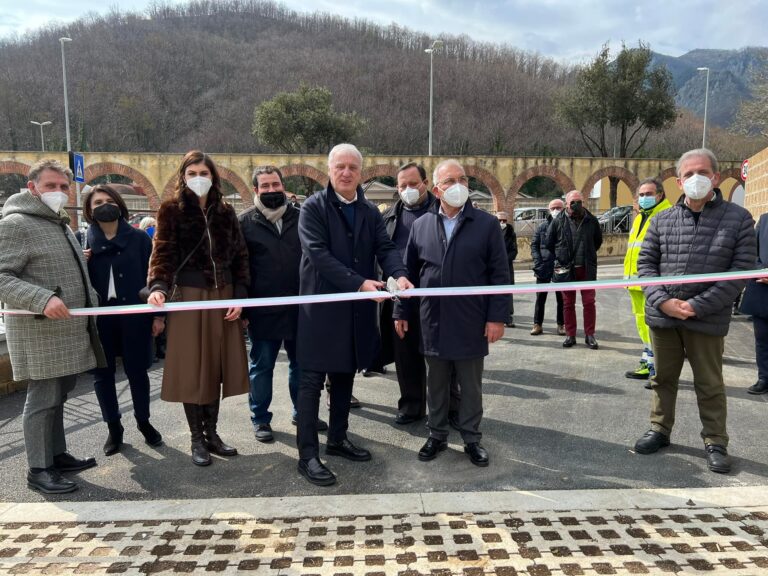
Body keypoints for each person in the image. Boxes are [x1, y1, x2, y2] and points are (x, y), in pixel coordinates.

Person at [295, 143, 413, 486]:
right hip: (320, 310)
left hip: (354, 311)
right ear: (329, 170)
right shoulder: (313, 208)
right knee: (311, 383)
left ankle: (337, 438)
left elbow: (385, 247)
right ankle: (307, 455)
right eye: (340, 167)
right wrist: (359, 282)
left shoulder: (369, 211)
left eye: (353, 168)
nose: (346, 173)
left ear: (360, 173)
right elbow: (317, 254)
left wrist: (399, 273)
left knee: (345, 375)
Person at [633, 148, 756, 474]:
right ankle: (659, 429)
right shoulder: (662, 220)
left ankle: (715, 441)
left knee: (709, 383)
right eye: (688, 174)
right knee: (663, 378)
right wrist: (664, 301)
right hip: (664, 317)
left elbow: (740, 272)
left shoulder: (739, 219)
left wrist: (696, 306)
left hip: (707, 318)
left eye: (702, 172)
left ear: (715, 177)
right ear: (678, 181)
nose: (695, 179)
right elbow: (646, 267)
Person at [395, 159, 509, 467]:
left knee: (470, 386)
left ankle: (472, 439)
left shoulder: (485, 225)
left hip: (472, 320)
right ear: (436, 189)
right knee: (436, 383)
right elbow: (409, 275)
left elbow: (500, 274)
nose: (458, 186)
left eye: (462, 179)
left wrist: (497, 317)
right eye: (450, 181)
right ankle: (437, 435)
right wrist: (401, 311)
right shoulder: (421, 226)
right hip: (433, 320)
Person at [0, 159, 105, 494]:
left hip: (68, 330)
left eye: (63, 186)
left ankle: (56, 455)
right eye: (50, 186)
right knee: (43, 398)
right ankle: (39, 469)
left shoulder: (57, 222)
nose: (59, 192)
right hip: (40, 331)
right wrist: (41, 298)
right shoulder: (16, 223)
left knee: (59, 395)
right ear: (32, 188)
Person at [147, 150, 250, 467]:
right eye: (191, 173)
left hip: (225, 294)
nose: (198, 178)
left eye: (203, 173)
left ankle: (212, 435)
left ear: (213, 177)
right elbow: (162, 252)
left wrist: (240, 296)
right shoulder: (171, 211)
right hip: (190, 296)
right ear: (183, 177)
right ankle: (196, 438)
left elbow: (240, 257)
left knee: (217, 365)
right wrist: (158, 288)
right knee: (194, 367)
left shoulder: (226, 211)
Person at [239, 166, 327, 443]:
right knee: (261, 366)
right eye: (264, 186)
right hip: (261, 310)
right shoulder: (244, 223)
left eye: (275, 184)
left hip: (301, 309)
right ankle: (260, 419)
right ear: (255, 190)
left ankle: (303, 413)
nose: (271, 190)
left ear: (283, 185)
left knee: (300, 365)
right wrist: (242, 305)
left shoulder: (302, 218)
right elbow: (238, 268)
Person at [82, 185, 165, 455]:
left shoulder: (140, 238)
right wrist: (83, 262)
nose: (104, 205)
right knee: (102, 376)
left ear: (119, 204)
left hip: (135, 317)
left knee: (138, 371)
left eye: (109, 201)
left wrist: (158, 315)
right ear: (89, 210)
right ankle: (114, 428)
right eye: (97, 202)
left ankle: (144, 422)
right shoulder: (83, 242)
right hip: (100, 321)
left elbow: (154, 279)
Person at [380, 162, 436, 425]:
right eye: (403, 185)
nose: (408, 189)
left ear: (425, 183)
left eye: (413, 184)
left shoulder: (442, 211)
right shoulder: (390, 216)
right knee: (405, 355)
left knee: (442, 357)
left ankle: (450, 408)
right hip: (401, 298)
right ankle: (411, 405)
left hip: (435, 298)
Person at [623, 178, 672, 385]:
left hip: (653, 284)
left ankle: (659, 370)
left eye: (649, 194)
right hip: (635, 282)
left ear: (660, 195)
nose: (644, 198)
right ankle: (648, 363)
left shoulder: (666, 216)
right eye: (641, 195)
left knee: (657, 327)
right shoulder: (640, 217)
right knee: (643, 325)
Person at [546, 190, 602, 349]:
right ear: (566, 204)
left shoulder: (591, 220)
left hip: (586, 269)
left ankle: (590, 335)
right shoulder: (558, 221)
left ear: (583, 202)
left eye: (579, 202)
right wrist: (561, 255)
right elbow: (549, 243)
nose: (576, 205)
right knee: (568, 303)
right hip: (566, 269)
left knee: (589, 302)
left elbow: (597, 241)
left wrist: (588, 255)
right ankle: (570, 335)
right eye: (573, 202)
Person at [741, 213, 768, 395]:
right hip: (762, 291)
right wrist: (762, 271)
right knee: (763, 339)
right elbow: (752, 253)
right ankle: (764, 378)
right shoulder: (765, 219)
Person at [530, 199, 565, 336]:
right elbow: (534, 246)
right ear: (549, 210)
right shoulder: (542, 227)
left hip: (560, 267)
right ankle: (537, 324)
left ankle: (561, 325)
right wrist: (538, 262)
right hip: (543, 266)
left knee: (561, 299)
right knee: (540, 298)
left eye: (559, 207)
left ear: (563, 209)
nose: (556, 210)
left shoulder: (567, 226)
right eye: (553, 208)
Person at [496, 211, 517, 328]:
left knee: (508, 293)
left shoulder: (511, 233)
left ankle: (508, 317)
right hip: (493, 267)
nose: (502, 223)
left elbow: (514, 251)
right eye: (499, 220)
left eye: (504, 220)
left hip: (507, 267)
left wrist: (504, 260)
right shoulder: (491, 232)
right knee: (494, 293)